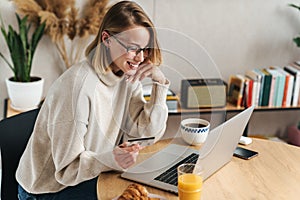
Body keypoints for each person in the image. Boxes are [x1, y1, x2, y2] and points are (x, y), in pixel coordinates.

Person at [16, 1, 170, 199]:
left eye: (145, 49)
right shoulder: (77, 87)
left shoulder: (126, 76)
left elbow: (147, 135)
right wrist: (111, 159)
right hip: (46, 191)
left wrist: (159, 83)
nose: (141, 58)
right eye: (133, 48)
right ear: (107, 39)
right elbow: (66, 170)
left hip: (89, 176)